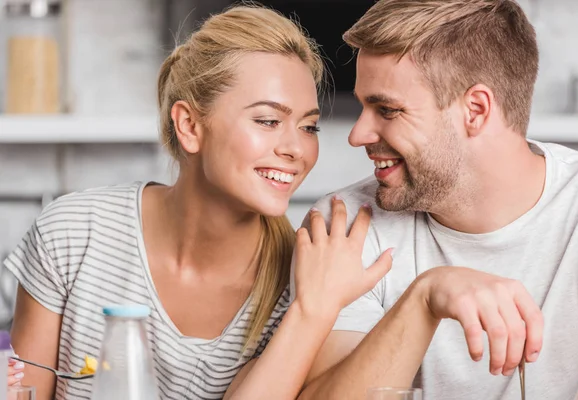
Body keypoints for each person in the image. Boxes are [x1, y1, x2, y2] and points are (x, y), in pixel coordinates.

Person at [4, 2, 546, 400]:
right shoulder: (73, 232)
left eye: (308, 126)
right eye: (267, 121)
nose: (295, 149)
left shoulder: (305, 268)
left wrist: (313, 308)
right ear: (190, 125)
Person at [294, 0, 578, 399]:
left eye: (387, 109)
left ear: (475, 110)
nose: (358, 135)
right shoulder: (346, 226)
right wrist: (424, 298)